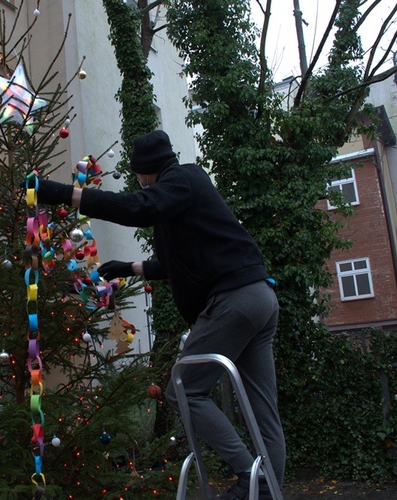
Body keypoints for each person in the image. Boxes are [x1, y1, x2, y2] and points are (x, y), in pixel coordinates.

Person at [33, 130, 284, 499]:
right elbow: (174, 264)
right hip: (259, 299)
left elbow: (136, 207)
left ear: (145, 172)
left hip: (233, 302)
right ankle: (269, 491)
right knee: (264, 409)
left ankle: (251, 477)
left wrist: (63, 193)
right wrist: (126, 267)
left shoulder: (181, 179)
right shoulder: (180, 200)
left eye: (138, 177)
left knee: (184, 389)